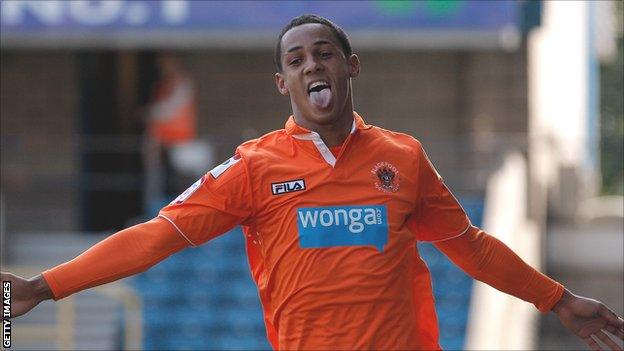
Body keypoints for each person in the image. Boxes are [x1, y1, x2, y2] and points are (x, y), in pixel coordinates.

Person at [2, 15, 623, 351]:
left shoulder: (402, 157)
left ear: (349, 66)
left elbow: (471, 246)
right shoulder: (252, 169)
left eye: (323, 53)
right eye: (295, 60)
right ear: (283, 85)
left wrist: (558, 300)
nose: (311, 66)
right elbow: (154, 239)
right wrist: (44, 286)